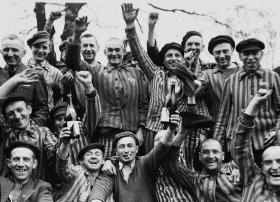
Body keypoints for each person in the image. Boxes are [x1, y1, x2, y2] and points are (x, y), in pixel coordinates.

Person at [122, 3, 211, 170]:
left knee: (178, 168)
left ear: (184, 59)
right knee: (152, 168)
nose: (173, 58)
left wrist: (184, 71)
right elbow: (138, 51)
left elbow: (194, 91)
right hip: (153, 129)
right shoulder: (155, 73)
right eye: (169, 55)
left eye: (177, 55)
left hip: (179, 131)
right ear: (163, 60)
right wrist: (130, 26)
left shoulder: (190, 78)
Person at [161, 112, 242, 202]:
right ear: (199, 157)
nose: (211, 156)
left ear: (223, 155)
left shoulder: (236, 168)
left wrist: (240, 170)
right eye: (206, 152)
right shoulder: (195, 179)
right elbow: (169, 163)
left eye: (215, 152)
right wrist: (182, 133)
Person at [65, 16, 149, 158]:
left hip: (130, 137)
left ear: (123, 52)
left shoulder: (137, 73)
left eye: (118, 50)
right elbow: (72, 62)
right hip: (105, 137)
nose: (114, 53)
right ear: (104, 52)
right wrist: (77, 34)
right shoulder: (96, 70)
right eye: (110, 50)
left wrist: (141, 130)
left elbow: (143, 104)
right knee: (105, 174)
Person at [222, 88, 280, 202]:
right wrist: (253, 107)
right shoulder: (254, 179)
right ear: (261, 167)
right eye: (268, 162)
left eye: (279, 162)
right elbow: (239, 145)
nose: (274, 167)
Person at [213, 38, 280, 166]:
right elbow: (223, 116)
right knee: (239, 182)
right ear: (240, 56)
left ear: (261, 54)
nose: (250, 57)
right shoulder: (231, 81)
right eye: (246, 54)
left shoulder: (273, 77)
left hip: (265, 144)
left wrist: (276, 131)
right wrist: (217, 145)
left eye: (254, 53)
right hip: (237, 145)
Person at [0, 96, 58, 180]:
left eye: (19, 110)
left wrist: (63, 144)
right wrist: (15, 81)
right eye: (10, 113)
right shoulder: (5, 133)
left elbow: (54, 156)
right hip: (8, 188)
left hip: (36, 188)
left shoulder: (43, 132)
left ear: (29, 109)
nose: (17, 116)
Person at [0, 34, 48, 126]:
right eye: (6, 50)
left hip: (28, 133)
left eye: (15, 50)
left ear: (24, 53)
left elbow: (42, 109)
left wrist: (32, 128)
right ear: (1, 52)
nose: (10, 54)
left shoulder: (34, 74)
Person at [147, 12, 215, 76]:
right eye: (190, 44)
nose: (193, 47)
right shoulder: (173, 64)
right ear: (184, 47)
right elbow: (154, 55)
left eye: (197, 44)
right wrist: (151, 27)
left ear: (202, 47)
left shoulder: (209, 68)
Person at [198, 35, 239, 125]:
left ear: (232, 50)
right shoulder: (208, 74)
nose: (221, 56)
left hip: (243, 128)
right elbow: (196, 89)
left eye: (225, 51)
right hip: (219, 129)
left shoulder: (244, 72)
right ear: (213, 53)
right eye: (217, 52)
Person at [27, 30, 64, 109]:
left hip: (48, 117)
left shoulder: (56, 73)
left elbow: (60, 99)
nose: (40, 51)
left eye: (44, 47)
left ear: (49, 50)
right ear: (30, 47)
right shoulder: (22, 70)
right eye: (37, 46)